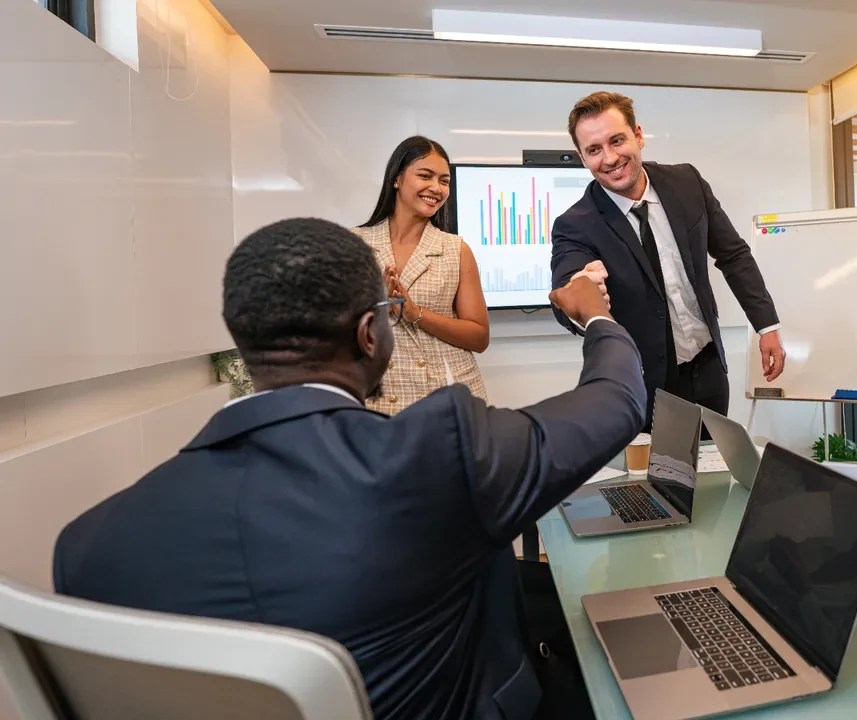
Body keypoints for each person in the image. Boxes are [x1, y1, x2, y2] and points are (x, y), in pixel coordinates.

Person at [52, 218, 646, 719]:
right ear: (370, 333)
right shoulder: (437, 456)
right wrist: (596, 318)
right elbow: (616, 400)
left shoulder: (87, 550)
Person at [550, 91, 785, 427]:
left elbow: (733, 255)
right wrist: (580, 294)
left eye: (617, 140)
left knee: (713, 471)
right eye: (594, 150)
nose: (610, 158)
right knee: (656, 480)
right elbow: (567, 286)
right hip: (643, 385)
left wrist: (767, 327)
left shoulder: (686, 183)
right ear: (581, 156)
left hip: (708, 371)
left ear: (639, 136)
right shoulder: (575, 225)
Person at [352, 136, 490, 411]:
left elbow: (478, 337)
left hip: (445, 397)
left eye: (444, 181)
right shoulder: (355, 245)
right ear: (397, 179)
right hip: (377, 398)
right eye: (425, 176)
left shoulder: (455, 250)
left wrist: (416, 313)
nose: (436, 188)